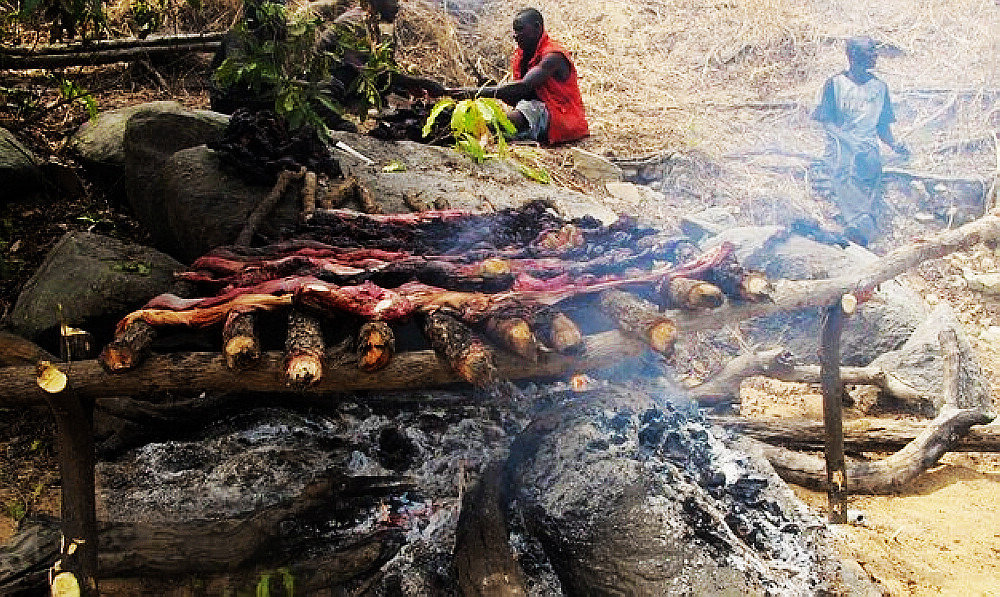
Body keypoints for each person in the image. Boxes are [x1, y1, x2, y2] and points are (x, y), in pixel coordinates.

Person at [813, 36, 908, 246]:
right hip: (840, 143)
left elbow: (882, 127)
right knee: (844, 169)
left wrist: (894, 144)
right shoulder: (835, 84)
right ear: (854, 56)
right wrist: (849, 141)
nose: (875, 55)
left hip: (866, 145)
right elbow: (827, 123)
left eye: (875, 51)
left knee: (872, 170)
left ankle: (862, 225)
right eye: (870, 51)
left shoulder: (880, 88)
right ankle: (857, 224)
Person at [448, 8, 589, 145]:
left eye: (520, 29)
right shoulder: (523, 55)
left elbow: (523, 87)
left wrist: (465, 92)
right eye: (515, 30)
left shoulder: (553, 56)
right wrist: (491, 88)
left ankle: (469, 127)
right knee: (512, 113)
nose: (515, 35)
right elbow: (519, 95)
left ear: (537, 27)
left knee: (512, 116)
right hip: (538, 113)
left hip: (562, 119)